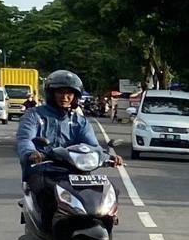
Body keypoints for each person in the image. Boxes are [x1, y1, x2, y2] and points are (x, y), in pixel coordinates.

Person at [15, 70, 122, 229]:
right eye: (60, 92)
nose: (65, 97)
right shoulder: (34, 116)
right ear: (51, 94)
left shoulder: (79, 121)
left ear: (75, 96)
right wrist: (31, 153)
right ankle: (48, 237)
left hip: (76, 174)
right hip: (45, 172)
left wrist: (108, 157)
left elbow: (93, 146)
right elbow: (25, 139)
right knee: (46, 197)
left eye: (69, 93)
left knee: (109, 191)